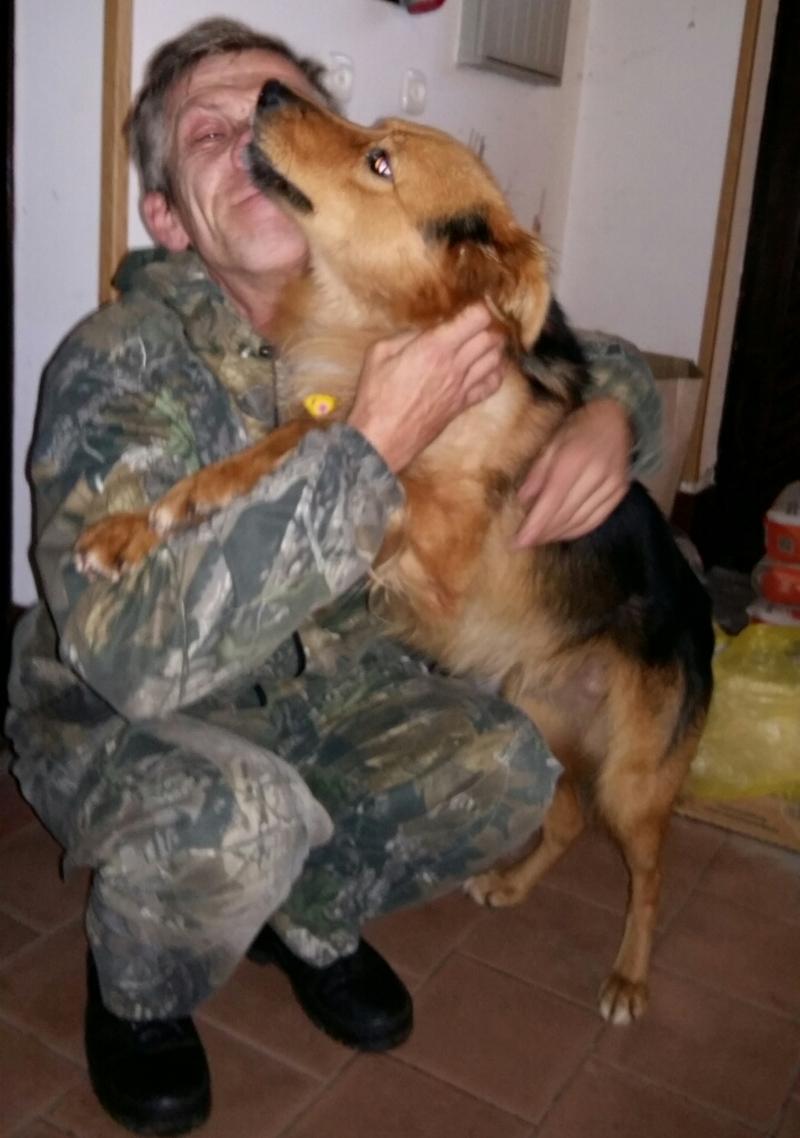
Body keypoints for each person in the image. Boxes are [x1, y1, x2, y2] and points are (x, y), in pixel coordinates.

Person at [6, 18, 663, 1136]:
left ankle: (306, 911)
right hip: (133, 714)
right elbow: (132, 662)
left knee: (505, 765)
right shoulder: (119, 363)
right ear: (168, 219)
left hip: (315, 688)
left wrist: (613, 414)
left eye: (276, 109)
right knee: (246, 818)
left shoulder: (373, 308)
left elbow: (555, 343)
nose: (249, 135)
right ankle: (140, 994)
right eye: (205, 134)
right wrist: (370, 446)